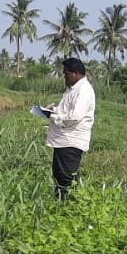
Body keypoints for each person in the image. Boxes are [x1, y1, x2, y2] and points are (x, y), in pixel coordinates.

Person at [40, 57, 96, 200]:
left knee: (66, 178)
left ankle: (67, 205)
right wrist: (54, 110)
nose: (64, 76)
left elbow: (74, 117)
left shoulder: (83, 91)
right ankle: (61, 203)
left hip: (71, 141)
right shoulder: (74, 90)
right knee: (60, 175)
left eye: (66, 74)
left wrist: (52, 116)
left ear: (75, 73)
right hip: (64, 140)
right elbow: (68, 111)